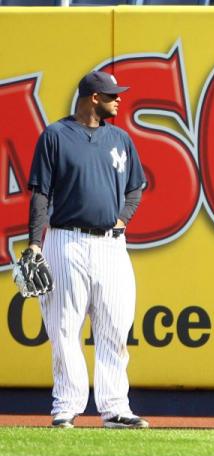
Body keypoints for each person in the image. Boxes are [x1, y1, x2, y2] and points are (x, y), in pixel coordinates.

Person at [27, 71, 148, 429]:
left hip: (111, 245)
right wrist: (35, 243)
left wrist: (123, 219)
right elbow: (40, 194)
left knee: (115, 325)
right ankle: (66, 406)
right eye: (112, 95)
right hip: (66, 239)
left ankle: (114, 407)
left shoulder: (121, 139)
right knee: (64, 326)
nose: (119, 99)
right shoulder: (56, 135)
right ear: (93, 97)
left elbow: (135, 188)